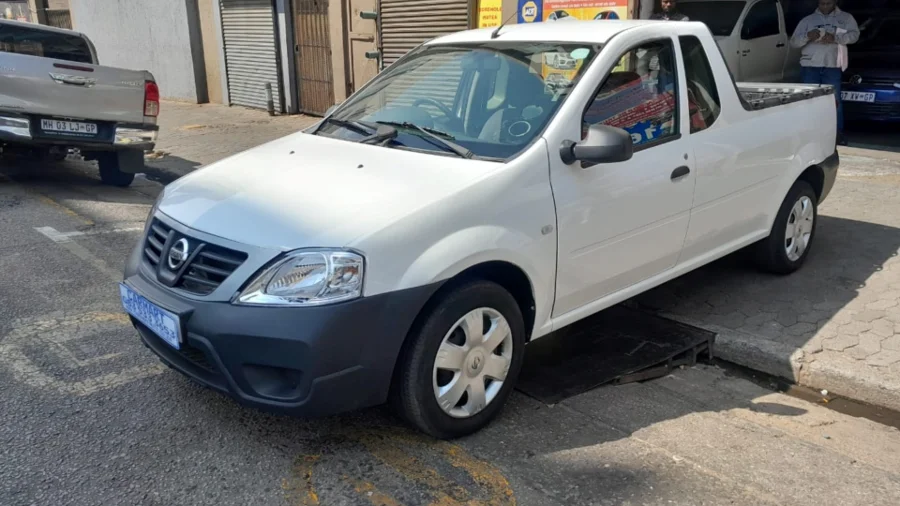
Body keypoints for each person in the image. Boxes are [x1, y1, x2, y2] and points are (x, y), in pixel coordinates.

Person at [790, 0, 859, 145]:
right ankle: (809, 134)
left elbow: (854, 36)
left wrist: (835, 38)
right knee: (809, 101)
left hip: (832, 65)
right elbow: (794, 42)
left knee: (834, 101)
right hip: (810, 65)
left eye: (828, 3)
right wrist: (808, 36)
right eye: (822, 3)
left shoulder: (845, 18)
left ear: (835, 2)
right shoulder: (808, 20)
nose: (825, 6)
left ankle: (837, 134)